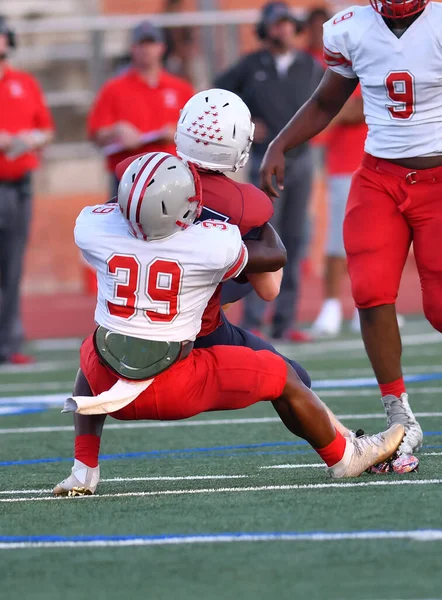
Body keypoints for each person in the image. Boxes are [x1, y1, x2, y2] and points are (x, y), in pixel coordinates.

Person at [53, 152, 403, 495]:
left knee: (92, 350)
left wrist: (138, 190)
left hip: (108, 389)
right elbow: (275, 255)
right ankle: (346, 456)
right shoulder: (209, 242)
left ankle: (84, 469)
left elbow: (119, 209)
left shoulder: (93, 227)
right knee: (282, 375)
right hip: (178, 383)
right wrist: (252, 212)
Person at [259, 0, 441, 470]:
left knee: (438, 308)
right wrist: (281, 142)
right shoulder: (349, 28)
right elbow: (326, 101)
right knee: (369, 291)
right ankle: (401, 416)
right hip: (379, 176)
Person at [215, 2, 323, 342]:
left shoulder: (310, 66)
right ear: (265, 28)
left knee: (295, 238)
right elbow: (216, 97)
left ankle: (285, 320)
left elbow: (325, 105)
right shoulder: (250, 65)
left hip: (302, 160)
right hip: (264, 162)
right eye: (277, 24)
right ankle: (254, 319)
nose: (284, 29)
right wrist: (244, 126)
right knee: (260, 237)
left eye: (289, 23)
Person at [0, 16, 54, 365]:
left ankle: (8, 341)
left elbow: (46, 129)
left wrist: (29, 140)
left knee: (13, 266)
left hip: (20, 184)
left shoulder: (25, 82)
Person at [88, 20, 194, 196]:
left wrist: (176, 134)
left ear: (161, 47)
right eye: (141, 44)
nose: (146, 49)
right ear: (132, 48)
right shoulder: (113, 89)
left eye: (151, 43)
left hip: (171, 174)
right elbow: (96, 134)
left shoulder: (181, 89)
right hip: (128, 174)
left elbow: (197, 133)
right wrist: (116, 131)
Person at [311, 85, 367, 336]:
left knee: (376, 241)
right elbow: (342, 113)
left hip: (380, 164)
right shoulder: (334, 72)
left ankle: (367, 304)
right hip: (345, 167)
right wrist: (345, 111)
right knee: (338, 239)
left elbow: (360, 110)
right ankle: (331, 304)